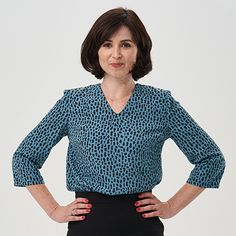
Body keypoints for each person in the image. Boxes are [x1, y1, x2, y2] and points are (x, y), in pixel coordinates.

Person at [12, 7, 226, 236]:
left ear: (139, 51)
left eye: (126, 45)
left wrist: (171, 206)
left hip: (142, 228)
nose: (116, 54)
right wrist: (53, 209)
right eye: (107, 44)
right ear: (96, 50)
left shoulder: (161, 104)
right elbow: (24, 158)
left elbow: (211, 159)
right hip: (87, 228)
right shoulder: (73, 103)